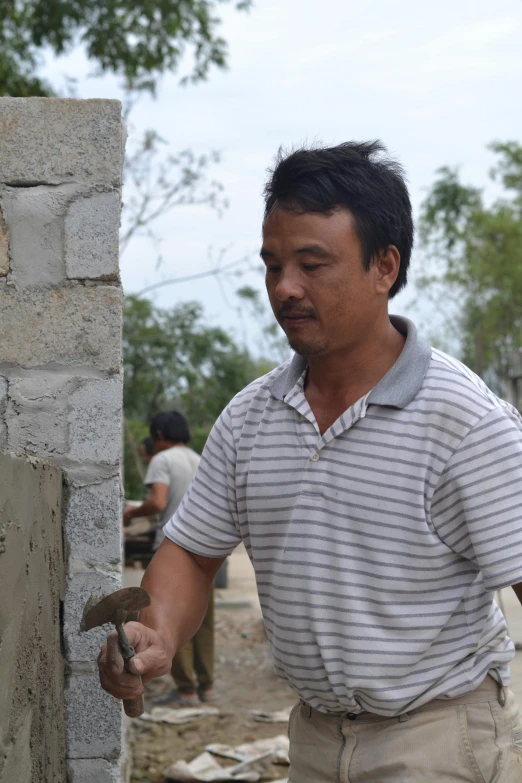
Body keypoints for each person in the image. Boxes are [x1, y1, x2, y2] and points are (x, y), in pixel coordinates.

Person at [99, 142, 522, 781]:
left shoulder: (464, 421)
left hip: (438, 737)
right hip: (317, 739)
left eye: (312, 264)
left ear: (385, 267)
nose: (285, 288)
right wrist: (154, 634)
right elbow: (192, 552)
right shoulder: (250, 417)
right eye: (272, 265)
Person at [123, 411, 215, 705]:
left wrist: (131, 513)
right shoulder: (199, 458)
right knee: (202, 622)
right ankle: (207, 686)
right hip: (207, 551)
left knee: (171, 622)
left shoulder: (163, 460)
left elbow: (158, 502)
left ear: (159, 435)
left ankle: (186, 690)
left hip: (174, 550)